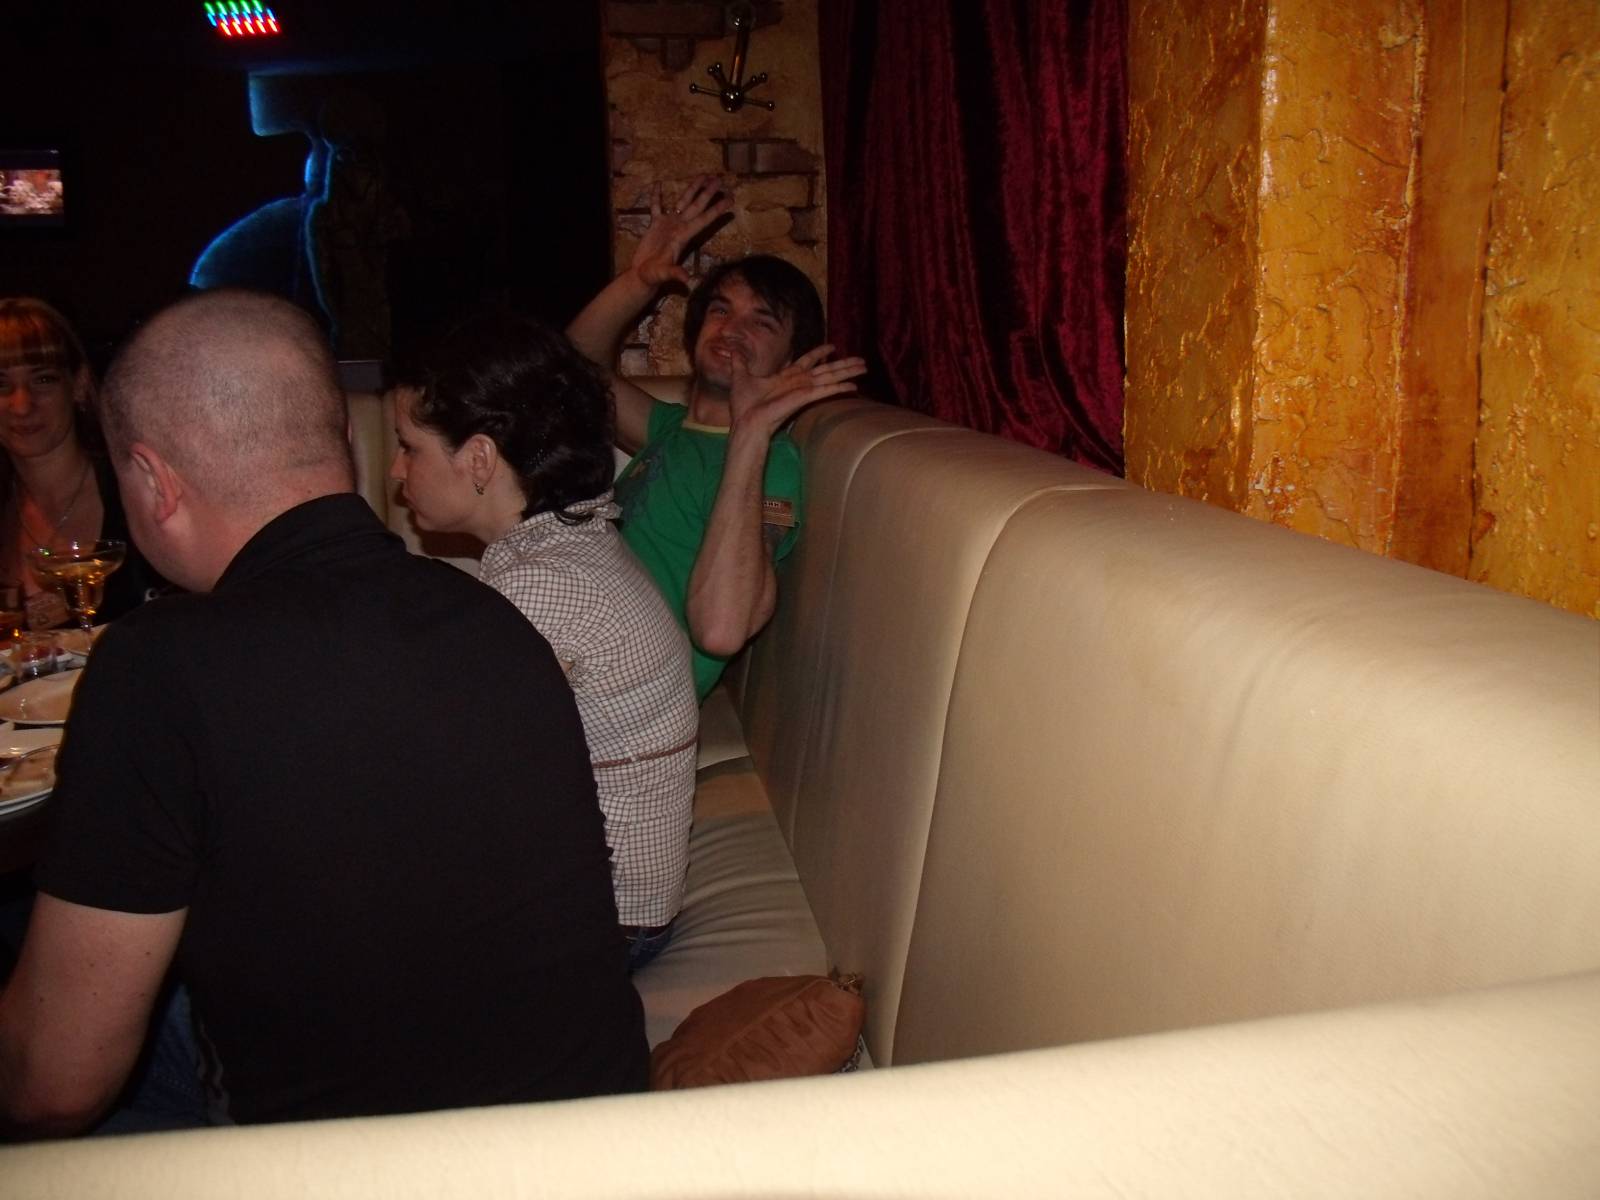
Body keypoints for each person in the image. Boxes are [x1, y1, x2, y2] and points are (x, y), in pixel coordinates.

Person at [0, 290, 647, 1138]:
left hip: (351, 1165)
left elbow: (56, 1088)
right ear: (343, 439)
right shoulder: (492, 615)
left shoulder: (156, 668)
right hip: (596, 1140)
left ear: (153, 481)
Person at [390, 311, 698, 970]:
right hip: (613, 898)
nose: (395, 469)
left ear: (479, 459)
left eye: (409, 447)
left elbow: (450, 776)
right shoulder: (569, 539)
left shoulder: (540, 587)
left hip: (606, 921)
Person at [567, 178, 866, 700]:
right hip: (575, 664)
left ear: (794, 360)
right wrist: (638, 280)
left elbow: (722, 631)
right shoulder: (671, 428)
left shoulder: (771, 460)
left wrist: (750, 432)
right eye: (721, 310)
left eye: (761, 321)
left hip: (624, 705)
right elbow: (572, 366)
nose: (731, 329)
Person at [0, 298, 165, 628]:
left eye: (43, 380)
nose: (22, 405)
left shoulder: (141, 490)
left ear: (78, 384)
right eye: (1, 384)